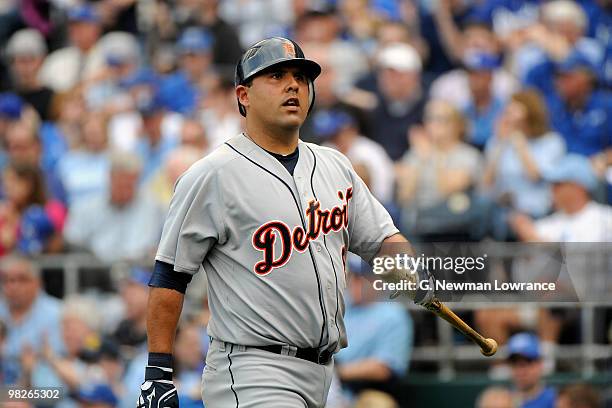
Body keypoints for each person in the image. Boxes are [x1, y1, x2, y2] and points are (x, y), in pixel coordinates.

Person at [138, 37, 433, 408]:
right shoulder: (213, 175)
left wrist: (410, 270)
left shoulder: (334, 165)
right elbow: (170, 275)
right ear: (243, 95)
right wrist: (158, 372)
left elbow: (381, 239)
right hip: (252, 368)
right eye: (276, 75)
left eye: (300, 76)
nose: (293, 84)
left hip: (324, 371)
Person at [0, 254, 63, 385]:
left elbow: (61, 365)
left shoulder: (57, 313)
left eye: (22, 280)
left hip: (44, 392)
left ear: (37, 282)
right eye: (6, 280)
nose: (13, 286)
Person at [507, 332, 556, 408]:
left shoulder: (556, 401)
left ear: (540, 364)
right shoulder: (502, 400)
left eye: (527, 364)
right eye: (514, 365)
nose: (520, 372)